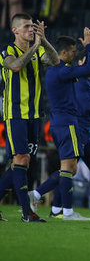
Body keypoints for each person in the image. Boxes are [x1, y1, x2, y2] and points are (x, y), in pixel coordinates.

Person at [31, 47, 90, 220]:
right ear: (80, 62)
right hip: (76, 130)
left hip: (85, 132)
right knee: (69, 169)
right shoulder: (78, 81)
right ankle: (43, 198)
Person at [0, 15, 58, 222]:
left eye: (32, 27)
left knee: (21, 163)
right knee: (21, 159)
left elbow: (55, 61)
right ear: (15, 30)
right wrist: (35, 47)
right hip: (15, 113)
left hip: (34, 115)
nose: (30, 30)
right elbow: (15, 66)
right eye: (26, 27)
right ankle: (27, 212)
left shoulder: (38, 50)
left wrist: (44, 40)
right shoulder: (7, 51)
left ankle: (25, 211)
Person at [44, 30, 90, 220]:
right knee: (68, 167)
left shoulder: (53, 71)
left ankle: (38, 194)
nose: (75, 55)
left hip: (57, 123)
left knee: (71, 168)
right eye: (73, 52)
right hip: (67, 123)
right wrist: (89, 45)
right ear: (63, 53)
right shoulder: (63, 71)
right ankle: (66, 211)